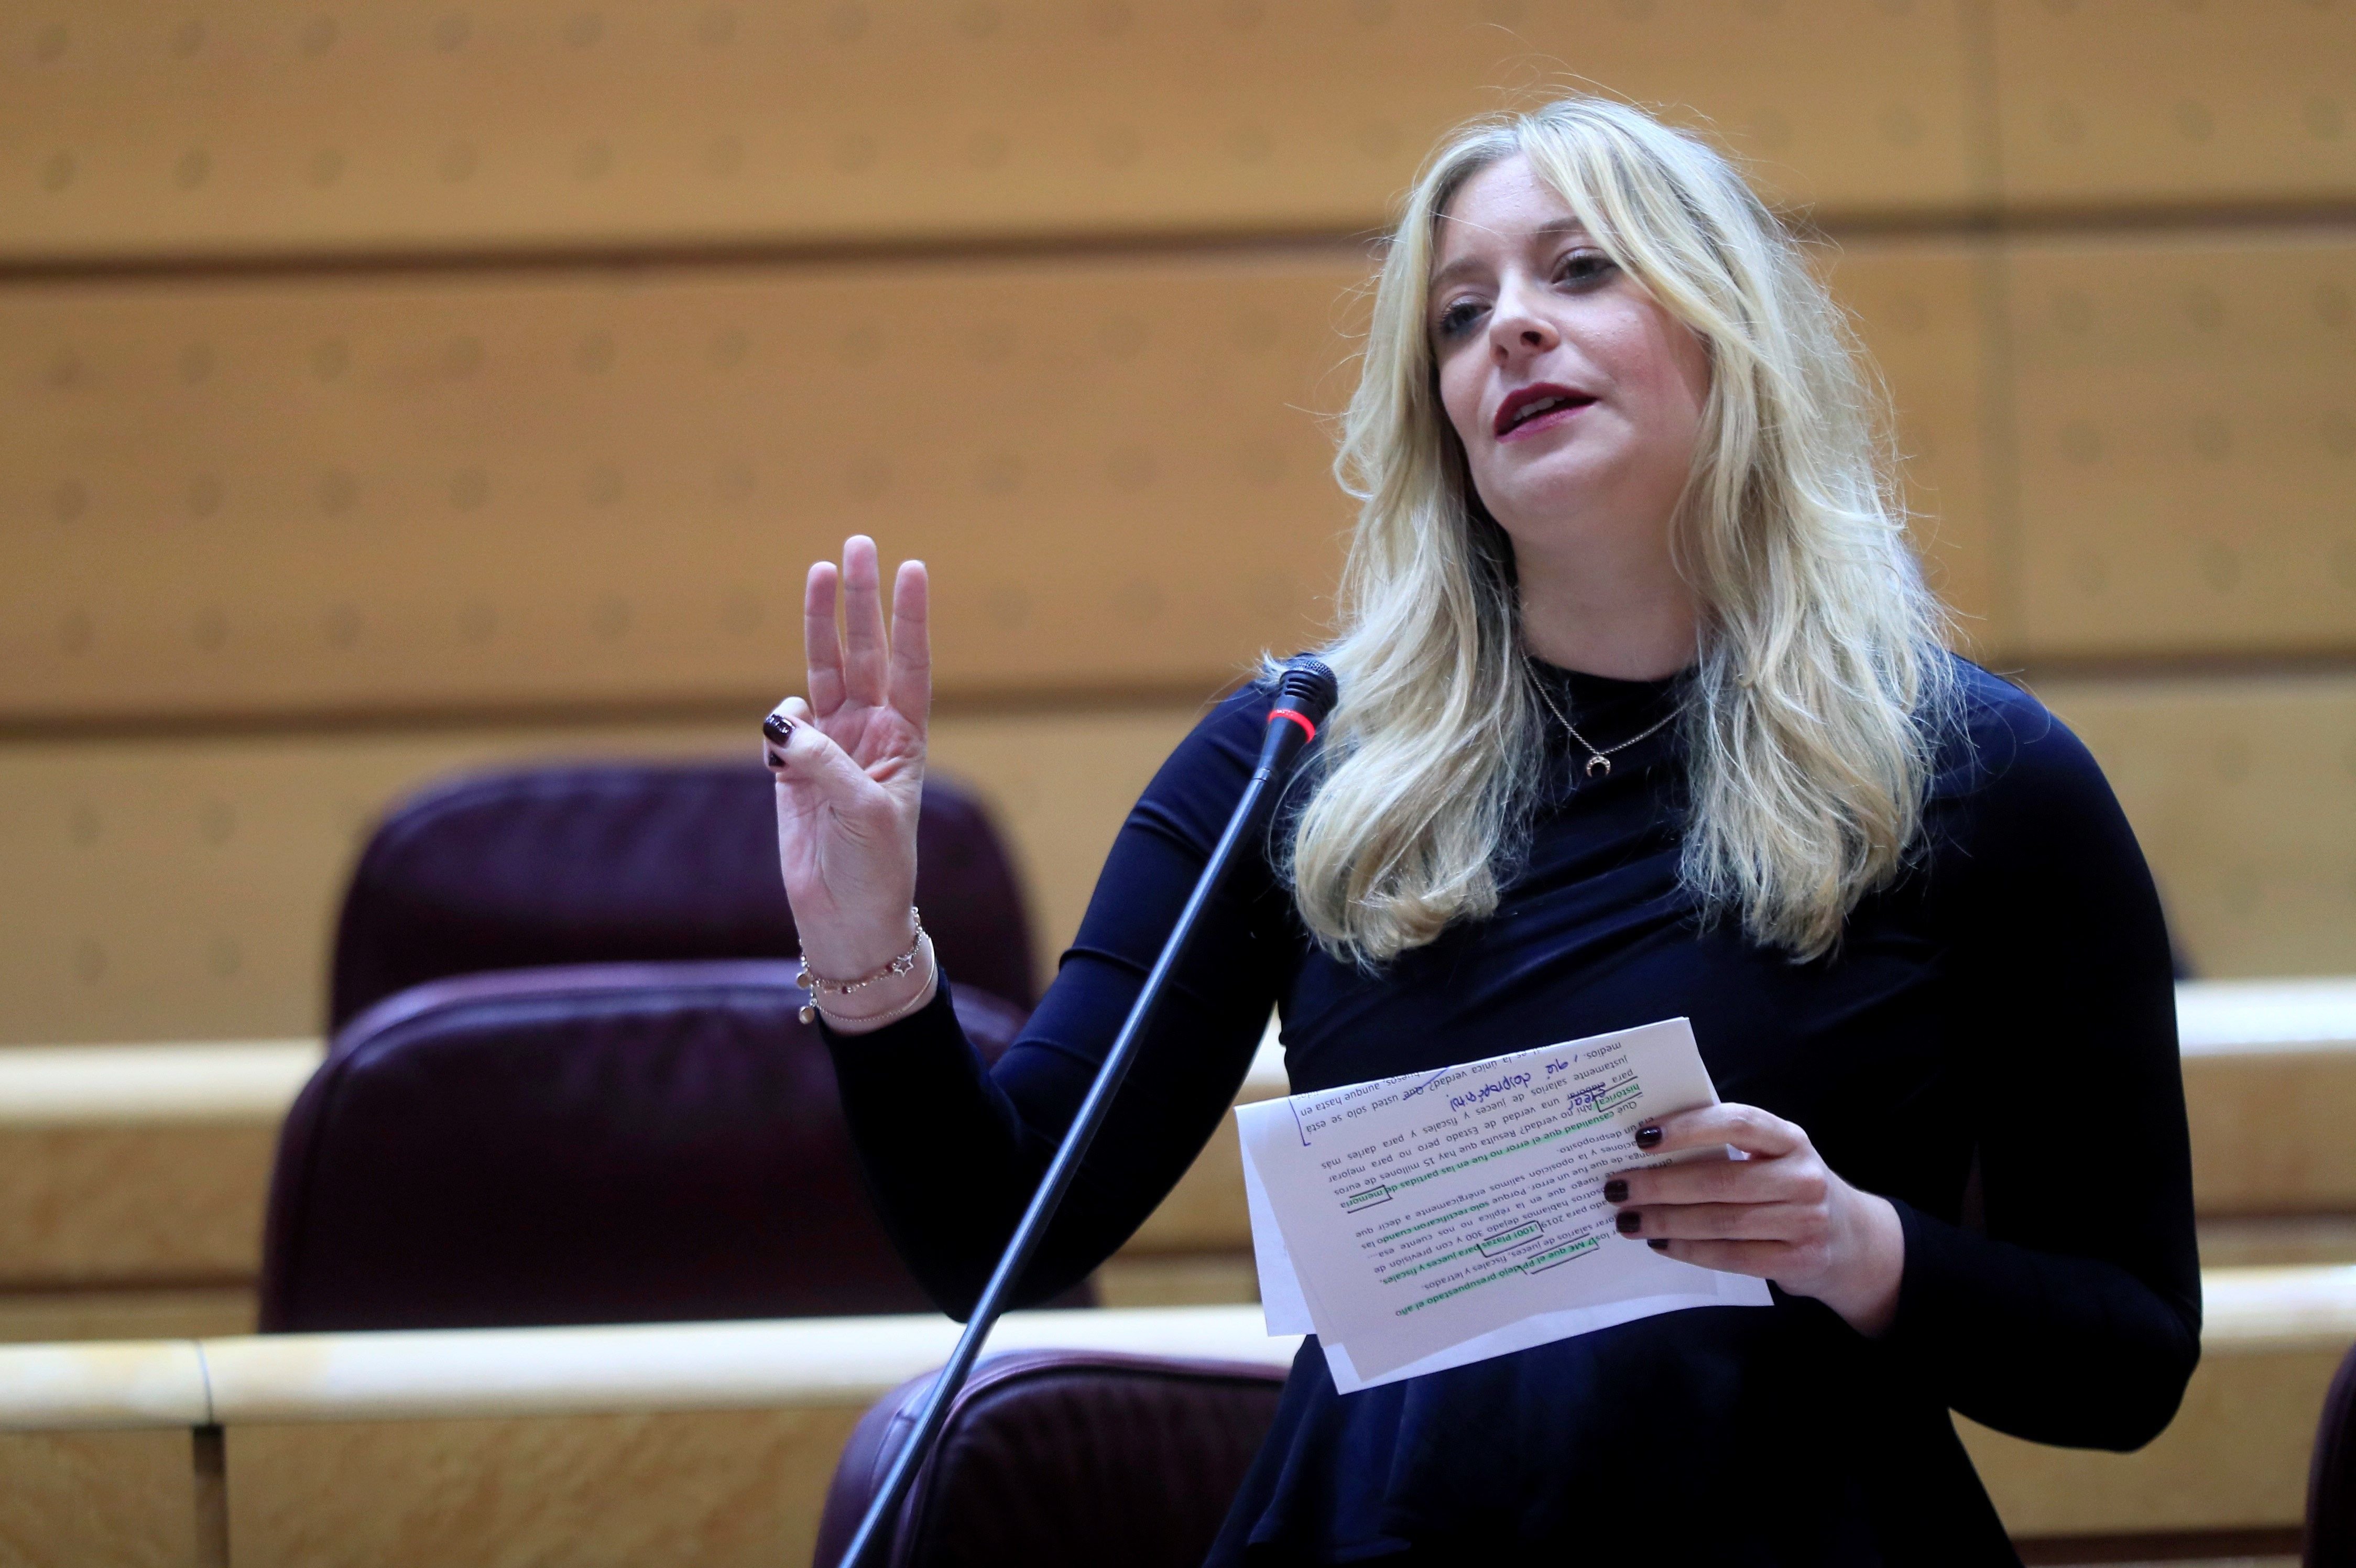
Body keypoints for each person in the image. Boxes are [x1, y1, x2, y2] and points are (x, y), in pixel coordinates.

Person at [764, 96, 2198, 1565]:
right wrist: (869, 951)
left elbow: (2131, 1359)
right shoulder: (1293, 762)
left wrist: (1856, 1249)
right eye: (1460, 314)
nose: (1509, 329)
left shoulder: (1977, 772)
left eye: (1580, 271)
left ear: (1728, 329)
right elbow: (999, 1233)